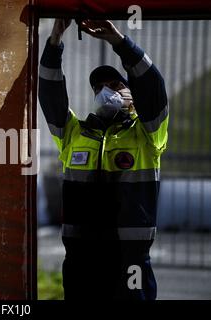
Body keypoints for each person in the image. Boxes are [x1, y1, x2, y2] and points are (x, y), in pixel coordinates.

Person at [38, 19, 168, 300]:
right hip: (81, 259)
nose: (106, 91)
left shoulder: (147, 134)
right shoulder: (73, 132)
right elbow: (50, 95)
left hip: (129, 262)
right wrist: (55, 41)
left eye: (114, 84)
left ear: (131, 93)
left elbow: (153, 88)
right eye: (99, 88)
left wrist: (120, 43)